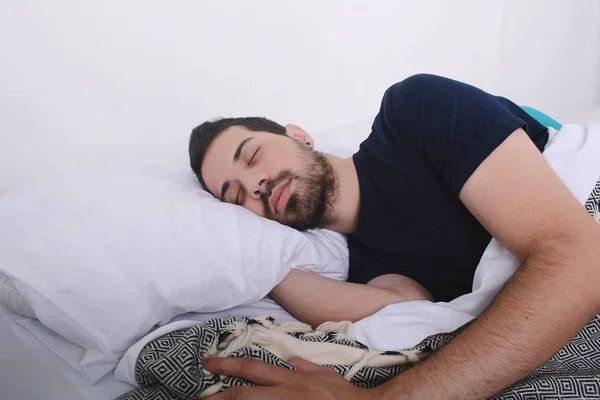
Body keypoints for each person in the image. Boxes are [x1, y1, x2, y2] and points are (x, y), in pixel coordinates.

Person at [188, 74, 600, 399]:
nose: (255, 184)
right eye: (236, 195)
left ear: (297, 135)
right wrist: (250, 251)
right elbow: (407, 311)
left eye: (252, 154)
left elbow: (577, 255)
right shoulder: (361, 271)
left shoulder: (413, 113)